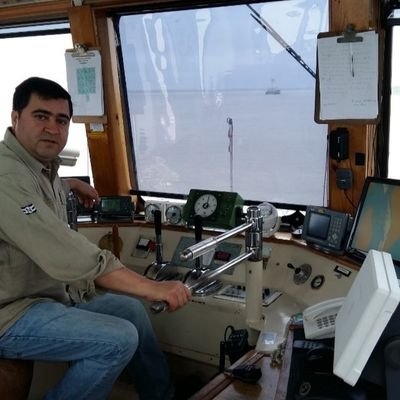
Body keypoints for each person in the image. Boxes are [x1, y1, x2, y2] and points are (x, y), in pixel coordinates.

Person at [0, 77, 191, 399]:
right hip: (11, 310)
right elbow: (63, 251)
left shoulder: (39, 168)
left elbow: (34, 198)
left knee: (131, 311)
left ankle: (161, 395)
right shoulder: (7, 175)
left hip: (44, 295)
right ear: (15, 118)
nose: (52, 128)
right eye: (40, 116)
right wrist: (152, 287)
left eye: (61, 120)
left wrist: (69, 184)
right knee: (118, 339)